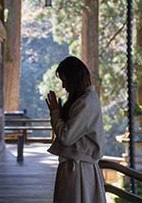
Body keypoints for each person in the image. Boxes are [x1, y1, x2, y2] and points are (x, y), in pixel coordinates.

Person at [45, 56, 106, 203]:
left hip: (79, 171)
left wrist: (55, 113)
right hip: (77, 168)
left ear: (74, 79)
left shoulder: (86, 103)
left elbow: (66, 136)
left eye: (65, 80)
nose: (64, 86)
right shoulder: (85, 100)